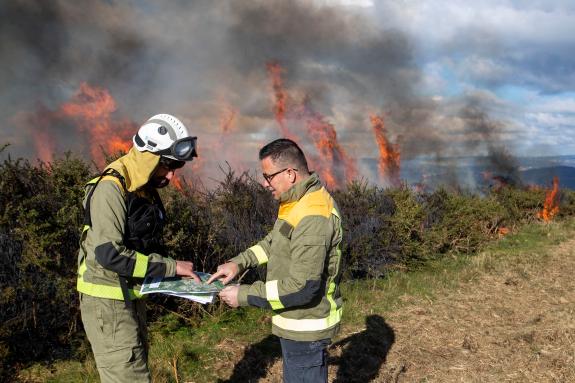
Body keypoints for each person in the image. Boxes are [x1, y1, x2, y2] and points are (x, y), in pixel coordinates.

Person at [76, 114, 201, 382]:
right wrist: (171, 267)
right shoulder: (110, 189)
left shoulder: (139, 187)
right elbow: (110, 255)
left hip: (129, 296)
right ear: (149, 156)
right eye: (166, 166)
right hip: (107, 303)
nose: (170, 175)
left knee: (137, 370)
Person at [207, 138, 344, 383]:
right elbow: (275, 242)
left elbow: (302, 287)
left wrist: (243, 294)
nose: (265, 183)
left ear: (290, 174)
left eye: (269, 176)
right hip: (295, 321)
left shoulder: (312, 215)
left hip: (306, 326)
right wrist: (239, 262)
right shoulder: (297, 202)